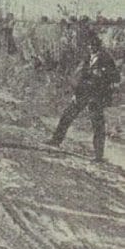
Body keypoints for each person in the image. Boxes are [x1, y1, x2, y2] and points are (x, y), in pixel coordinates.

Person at [45, 34, 121, 162]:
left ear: (99, 46)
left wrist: (102, 74)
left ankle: (98, 156)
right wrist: (75, 93)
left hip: (96, 96)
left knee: (97, 125)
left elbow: (116, 78)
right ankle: (56, 140)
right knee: (67, 115)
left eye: (94, 45)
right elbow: (81, 77)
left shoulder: (106, 59)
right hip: (83, 93)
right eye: (90, 45)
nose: (91, 48)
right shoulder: (87, 58)